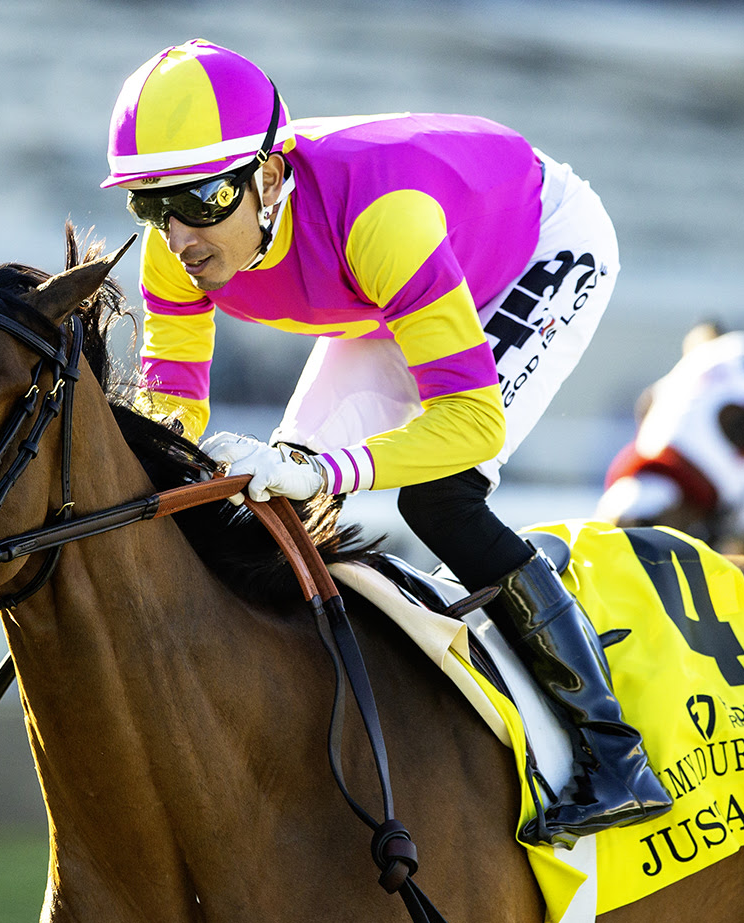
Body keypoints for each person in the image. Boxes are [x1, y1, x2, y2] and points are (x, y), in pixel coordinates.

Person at [101, 39, 669, 845]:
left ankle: (613, 752)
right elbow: (173, 414)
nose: (178, 236)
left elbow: (473, 423)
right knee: (276, 514)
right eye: (149, 205)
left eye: (201, 200)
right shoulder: (178, 249)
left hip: (529, 242)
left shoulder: (381, 218)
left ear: (269, 178)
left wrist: (325, 468)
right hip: (385, 290)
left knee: (440, 497)